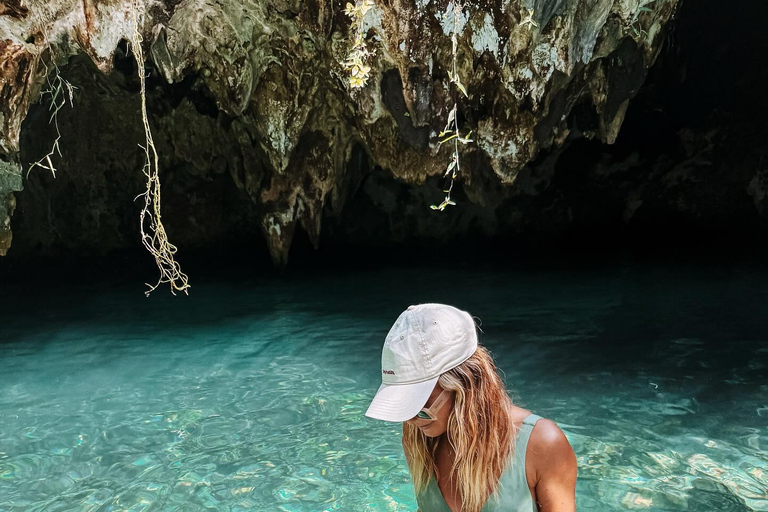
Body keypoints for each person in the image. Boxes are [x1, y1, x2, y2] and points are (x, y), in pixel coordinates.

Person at [365, 304, 577, 512]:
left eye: (419, 404)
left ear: (467, 383)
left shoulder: (543, 443)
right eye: (404, 406)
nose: (410, 419)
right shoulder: (418, 435)